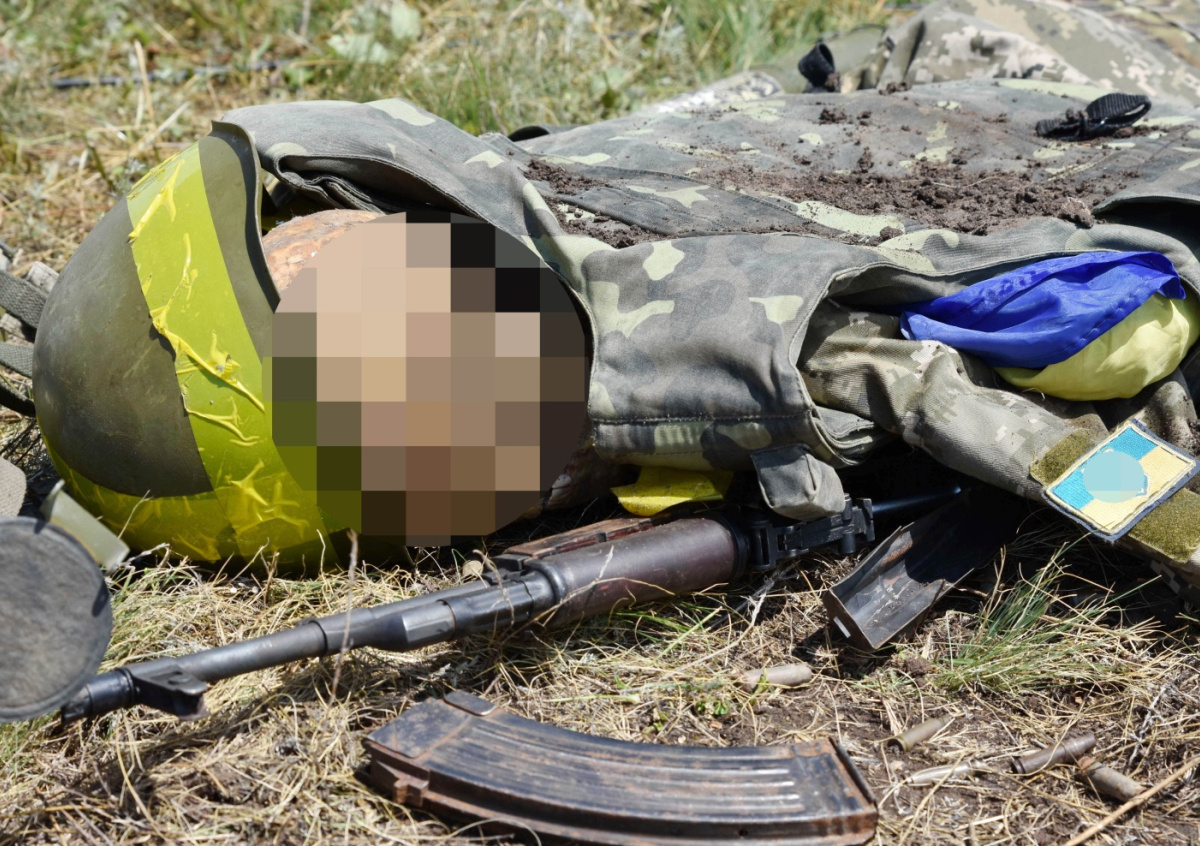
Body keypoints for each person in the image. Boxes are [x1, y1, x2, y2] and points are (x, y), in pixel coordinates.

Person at [21, 0, 1200, 593]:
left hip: (1034, 65)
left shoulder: (513, 206)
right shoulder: (706, 360)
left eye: (323, 249)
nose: (333, 245)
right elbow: (1040, 446)